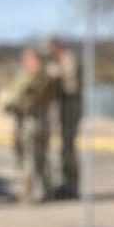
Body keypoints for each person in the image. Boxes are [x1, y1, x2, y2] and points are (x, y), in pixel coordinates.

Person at [6, 47, 54, 204]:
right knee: (42, 158)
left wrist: (9, 106)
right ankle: (46, 191)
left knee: (28, 159)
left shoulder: (27, 77)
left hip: (28, 122)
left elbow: (14, 100)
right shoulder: (48, 75)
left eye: (25, 59)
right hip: (43, 121)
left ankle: (27, 193)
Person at [45, 36, 81, 199]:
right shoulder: (61, 60)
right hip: (63, 107)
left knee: (68, 149)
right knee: (63, 149)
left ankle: (70, 187)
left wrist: (55, 75)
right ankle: (65, 185)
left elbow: (71, 85)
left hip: (70, 106)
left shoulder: (67, 59)